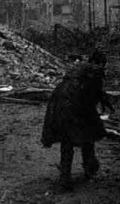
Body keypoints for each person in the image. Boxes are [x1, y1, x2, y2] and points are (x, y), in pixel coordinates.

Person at [41, 49, 113, 192]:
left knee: (67, 140)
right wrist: (99, 106)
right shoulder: (94, 71)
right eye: (102, 64)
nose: (102, 67)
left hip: (59, 102)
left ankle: (65, 179)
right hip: (73, 104)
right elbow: (92, 93)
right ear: (96, 62)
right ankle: (89, 167)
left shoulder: (78, 68)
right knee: (88, 134)